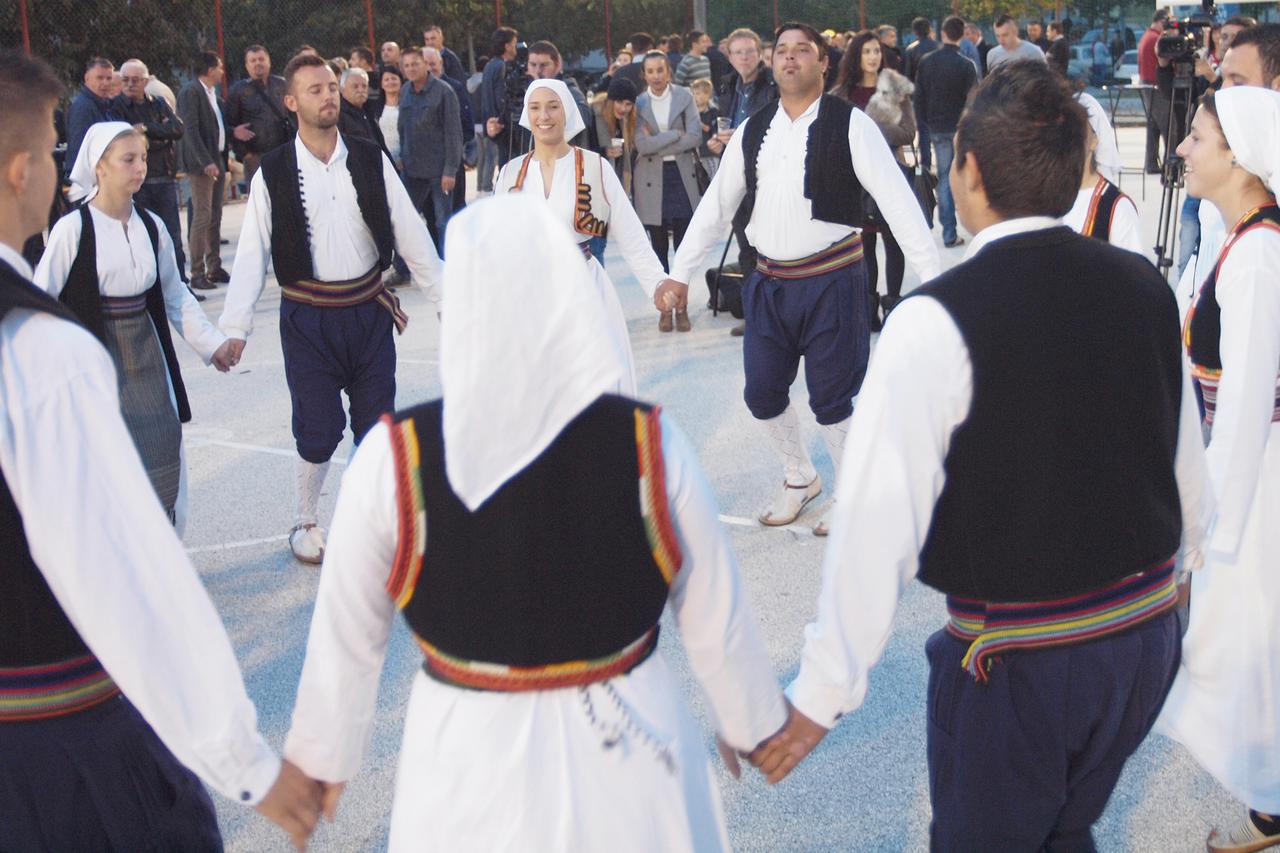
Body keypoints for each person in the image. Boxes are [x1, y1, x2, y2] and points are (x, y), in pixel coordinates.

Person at [751, 62, 1211, 850]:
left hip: (1021, 655)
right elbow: (1182, 452)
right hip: (1138, 636)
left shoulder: (933, 319)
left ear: (966, 170)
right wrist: (1183, 580)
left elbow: (877, 526)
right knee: (1066, 824)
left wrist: (822, 690)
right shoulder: (1143, 284)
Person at [282, 194, 786, 851]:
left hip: (466, 771)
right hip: (632, 762)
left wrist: (321, 754)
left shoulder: (393, 457)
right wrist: (750, 718)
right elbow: (713, 605)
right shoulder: (648, 441)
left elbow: (346, 632)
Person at [0, 48, 324, 852]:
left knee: (162, 485)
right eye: (48, 150)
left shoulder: (145, 231)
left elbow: (174, 294)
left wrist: (213, 342)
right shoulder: (43, 353)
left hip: (144, 368)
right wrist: (243, 759)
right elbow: (118, 567)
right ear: (20, 172)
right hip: (54, 728)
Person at [669, 23, 940, 535]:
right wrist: (680, 273)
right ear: (772, 63)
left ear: (822, 61)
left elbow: (898, 203)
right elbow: (716, 206)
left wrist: (933, 278)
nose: (790, 58)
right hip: (768, 283)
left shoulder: (852, 124)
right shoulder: (753, 129)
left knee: (832, 400)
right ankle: (800, 477)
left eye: (802, 50)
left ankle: (852, 491)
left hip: (833, 280)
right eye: (782, 52)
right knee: (762, 393)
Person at [218, 53, 444, 565]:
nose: (328, 97)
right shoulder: (273, 171)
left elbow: (411, 232)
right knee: (317, 428)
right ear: (291, 102)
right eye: (314, 90)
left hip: (368, 312)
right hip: (308, 320)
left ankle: (371, 522)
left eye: (331, 88)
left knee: (378, 426)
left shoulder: (369, 157)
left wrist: (445, 300)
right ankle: (304, 519)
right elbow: (252, 253)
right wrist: (235, 328)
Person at [1155, 85, 1280, 853]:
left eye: (1197, 137)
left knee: (1248, 641)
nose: (1181, 148)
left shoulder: (1258, 254)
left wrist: (1208, 528)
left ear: (1239, 155)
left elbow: (1246, 402)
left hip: (1260, 482)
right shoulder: (1240, 240)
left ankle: (1271, 801)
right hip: (1249, 474)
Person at [34, 122, 234, 526]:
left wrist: (212, 343)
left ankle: (163, 544)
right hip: (97, 360)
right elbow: (40, 301)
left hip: (147, 352)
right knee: (107, 457)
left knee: (162, 443)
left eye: (142, 158)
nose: (140, 167)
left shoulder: (151, 225)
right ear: (100, 166)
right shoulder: (73, 229)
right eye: (128, 159)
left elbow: (175, 294)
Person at [495, 80, 672, 378]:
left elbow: (630, 234)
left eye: (553, 106)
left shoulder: (595, 167)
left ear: (567, 112)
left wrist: (657, 283)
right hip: (529, 295)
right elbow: (498, 245)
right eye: (535, 107)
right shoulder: (510, 173)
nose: (544, 116)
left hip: (584, 290)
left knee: (588, 383)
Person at [1175, 24, 1280, 310]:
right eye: (1223, 78)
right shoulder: (1222, 180)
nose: (1223, 91)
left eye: (1238, 81)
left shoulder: (1260, 246)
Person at [830, 32, 917, 331]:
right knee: (864, 244)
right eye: (866, 51)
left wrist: (870, 129)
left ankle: (893, 303)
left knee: (893, 241)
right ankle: (868, 308)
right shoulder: (841, 94)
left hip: (891, 174)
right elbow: (833, 135)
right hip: (856, 178)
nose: (872, 57)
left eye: (877, 51)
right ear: (856, 55)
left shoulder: (895, 89)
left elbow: (908, 132)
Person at [634, 50, 703, 304]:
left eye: (660, 70)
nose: (656, 76)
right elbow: (641, 145)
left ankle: (681, 303)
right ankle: (664, 304)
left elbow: (695, 136)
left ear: (668, 71)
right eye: (650, 71)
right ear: (644, 74)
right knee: (658, 246)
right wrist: (674, 135)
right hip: (651, 178)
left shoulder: (684, 96)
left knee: (684, 248)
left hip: (682, 176)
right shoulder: (639, 103)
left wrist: (657, 143)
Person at [113, 58, 187, 284]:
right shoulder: (116, 107)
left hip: (163, 177)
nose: (130, 84)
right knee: (142, 236)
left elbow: (176, 129)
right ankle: (150, 286)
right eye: (125, 80)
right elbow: (124, 139)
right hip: (137, 184)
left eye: (135, 80)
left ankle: (180, 283)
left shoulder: (158, 103)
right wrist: (158, 138)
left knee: (172, 236)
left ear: (146, 81)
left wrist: (146, 129)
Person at [916, 16, 980, 250]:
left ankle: (949, 232)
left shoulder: (927, 62)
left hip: (936, 125)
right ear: (962, 35)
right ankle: (975, 224)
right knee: (967, 175)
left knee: (944, 178)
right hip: (959, 127)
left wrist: (923, 123)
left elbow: (919, 96)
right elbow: (973, 100)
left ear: (943, 33)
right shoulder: (966, 65)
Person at [399, 48, 461, 251]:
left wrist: (450, 170)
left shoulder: (444, 92)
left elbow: (453, 133)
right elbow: (402, 128)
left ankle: (447, 263)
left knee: (443, 222)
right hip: (412, 170)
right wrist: (402, 157)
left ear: (425, 64)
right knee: (406, 220)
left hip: (439, 171)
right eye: (406, 65)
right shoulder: (405, 90)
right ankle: (405, 265)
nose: (411, 69)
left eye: (415, 64)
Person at [177, 51, 227, 292]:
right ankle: (196, 272)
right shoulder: (191, 92)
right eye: (219, 67)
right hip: (202, 165)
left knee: (215, 215)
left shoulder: (210, 93)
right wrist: (205, 161)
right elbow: (191, 130)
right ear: (209, 69)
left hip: (217, 159)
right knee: (202, 215)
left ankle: (213, 266)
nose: (222, 71)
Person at [1064, 105, 1143, 255]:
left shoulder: (1117, 207)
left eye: (1077, 129)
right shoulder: (1043, 199)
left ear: (1094, 140)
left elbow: (1132, 266)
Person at [224, 45, 294, 186]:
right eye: (253, 60)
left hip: (284, 152)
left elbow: (295, 116)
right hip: (255, 157)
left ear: (269, 62)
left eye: (261, 59)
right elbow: (229, 124)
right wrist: (245, 154)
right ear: (247, 65)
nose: (258, 63)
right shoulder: (238, 91)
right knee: (259, 195)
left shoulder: (282, 85)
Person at [423, 46, 472, 216]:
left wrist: (452, 150)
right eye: (425, 63)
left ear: (441, 63)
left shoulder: (454, 87)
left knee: (456, 212)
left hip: (451, 163)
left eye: (433, 63)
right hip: (424, 167)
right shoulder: (411, 91)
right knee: (431, 214)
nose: (429, 68)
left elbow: (467, 125)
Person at [65, 57, 121, 178]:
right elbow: (79, 147)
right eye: (100, 78)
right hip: (88, 177)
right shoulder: (83, 107)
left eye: (109, 78)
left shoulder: (105, 104)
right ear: (87, 78)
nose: (105, 83)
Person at [481, 27, 519, 166]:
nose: (516, 48)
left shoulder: (490, 65)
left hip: (492, 123)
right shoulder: (501, 66)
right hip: (503, 126)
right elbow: (501, 97)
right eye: (514, 44)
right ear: (507, 46)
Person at [1139, 10, 1171, 173]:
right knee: (1167, 125)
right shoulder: (1156, 38)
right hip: (1156, 85)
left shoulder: (1147, 36)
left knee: (1154, 126)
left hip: (1147, 84)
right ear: (1161, 22)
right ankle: (1169, 163)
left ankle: (1151, 162)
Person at [338, 67, 389, 156]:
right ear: (342, 89)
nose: (361, 90)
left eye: (364, 86)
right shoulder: (338, 116)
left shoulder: (369, 111)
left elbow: (381, 145)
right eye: (355, 86)